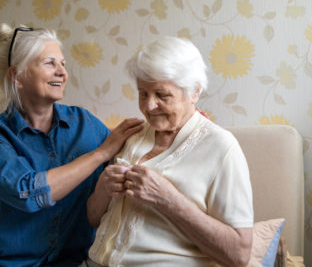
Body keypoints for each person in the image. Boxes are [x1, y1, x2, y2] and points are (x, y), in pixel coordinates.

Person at [82, 36, 254, 267]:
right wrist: (103, 187)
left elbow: (239, 254)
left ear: (194, 92)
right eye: (143, 93)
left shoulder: (222, 148)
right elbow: (93, 218)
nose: (148, 106)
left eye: (162, 95)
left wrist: (169, 200)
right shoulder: (131, 135)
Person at [0, 24, 144, 267]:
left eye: (63, 64)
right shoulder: (3, 135)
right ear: (18, 77)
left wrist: (182, 127)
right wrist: (99, 154)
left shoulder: (84, 123)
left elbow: (131, 150)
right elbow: (28, 193)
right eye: (49, 63)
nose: (62, 72)